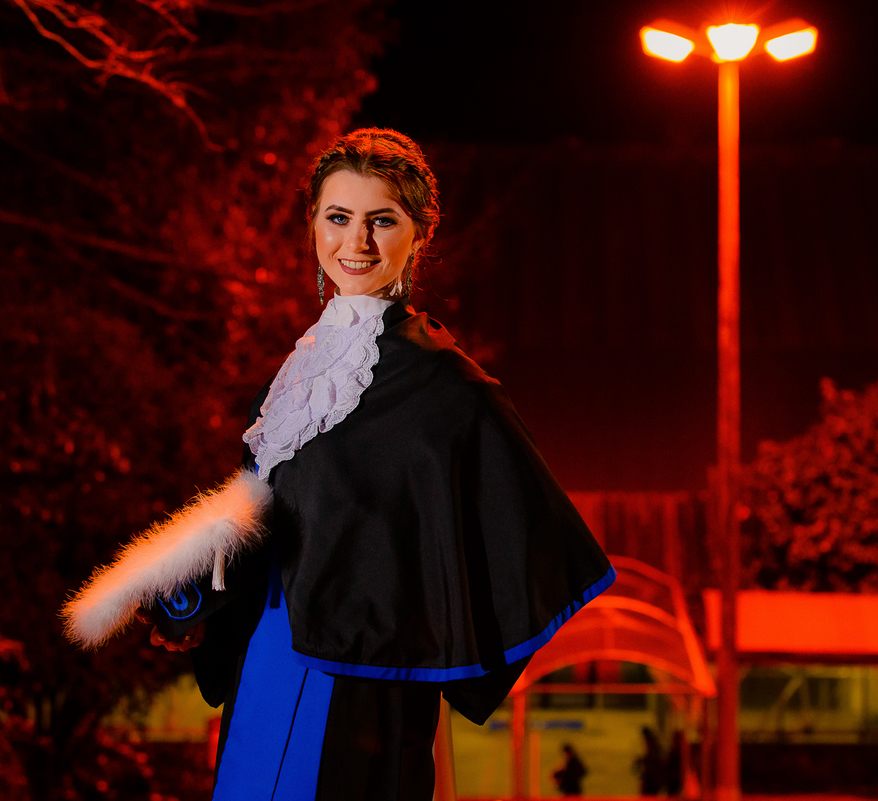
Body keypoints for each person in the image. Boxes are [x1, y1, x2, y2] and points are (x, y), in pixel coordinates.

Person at [62, 128, 615, 801]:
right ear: (314, 225)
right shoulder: (303, 365)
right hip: (265, 659)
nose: (356, 242)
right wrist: (196, 600)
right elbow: (277, 515)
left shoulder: (446, 384)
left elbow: (536, 539)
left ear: (420, 232)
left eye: (381, 220)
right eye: (338, 217)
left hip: (359, 681)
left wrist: (430, 630)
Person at [635, 725, 664, 796]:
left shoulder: (653, 746)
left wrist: (642, 761)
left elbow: (653, 761)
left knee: (647, 795)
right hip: (652, 779)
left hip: (652, 780)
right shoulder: (654, 746)